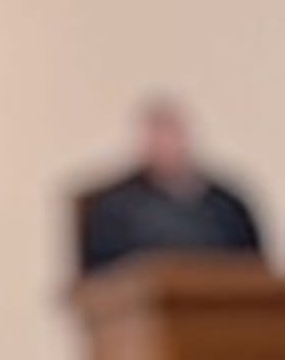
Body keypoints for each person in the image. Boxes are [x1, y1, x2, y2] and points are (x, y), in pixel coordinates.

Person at [75, 99, 266, 276]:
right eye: (159, 138)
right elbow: (102, 275)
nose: (168, 146)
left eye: (172, 137)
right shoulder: (114, 208)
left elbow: (252, 263)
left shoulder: (225, 204)